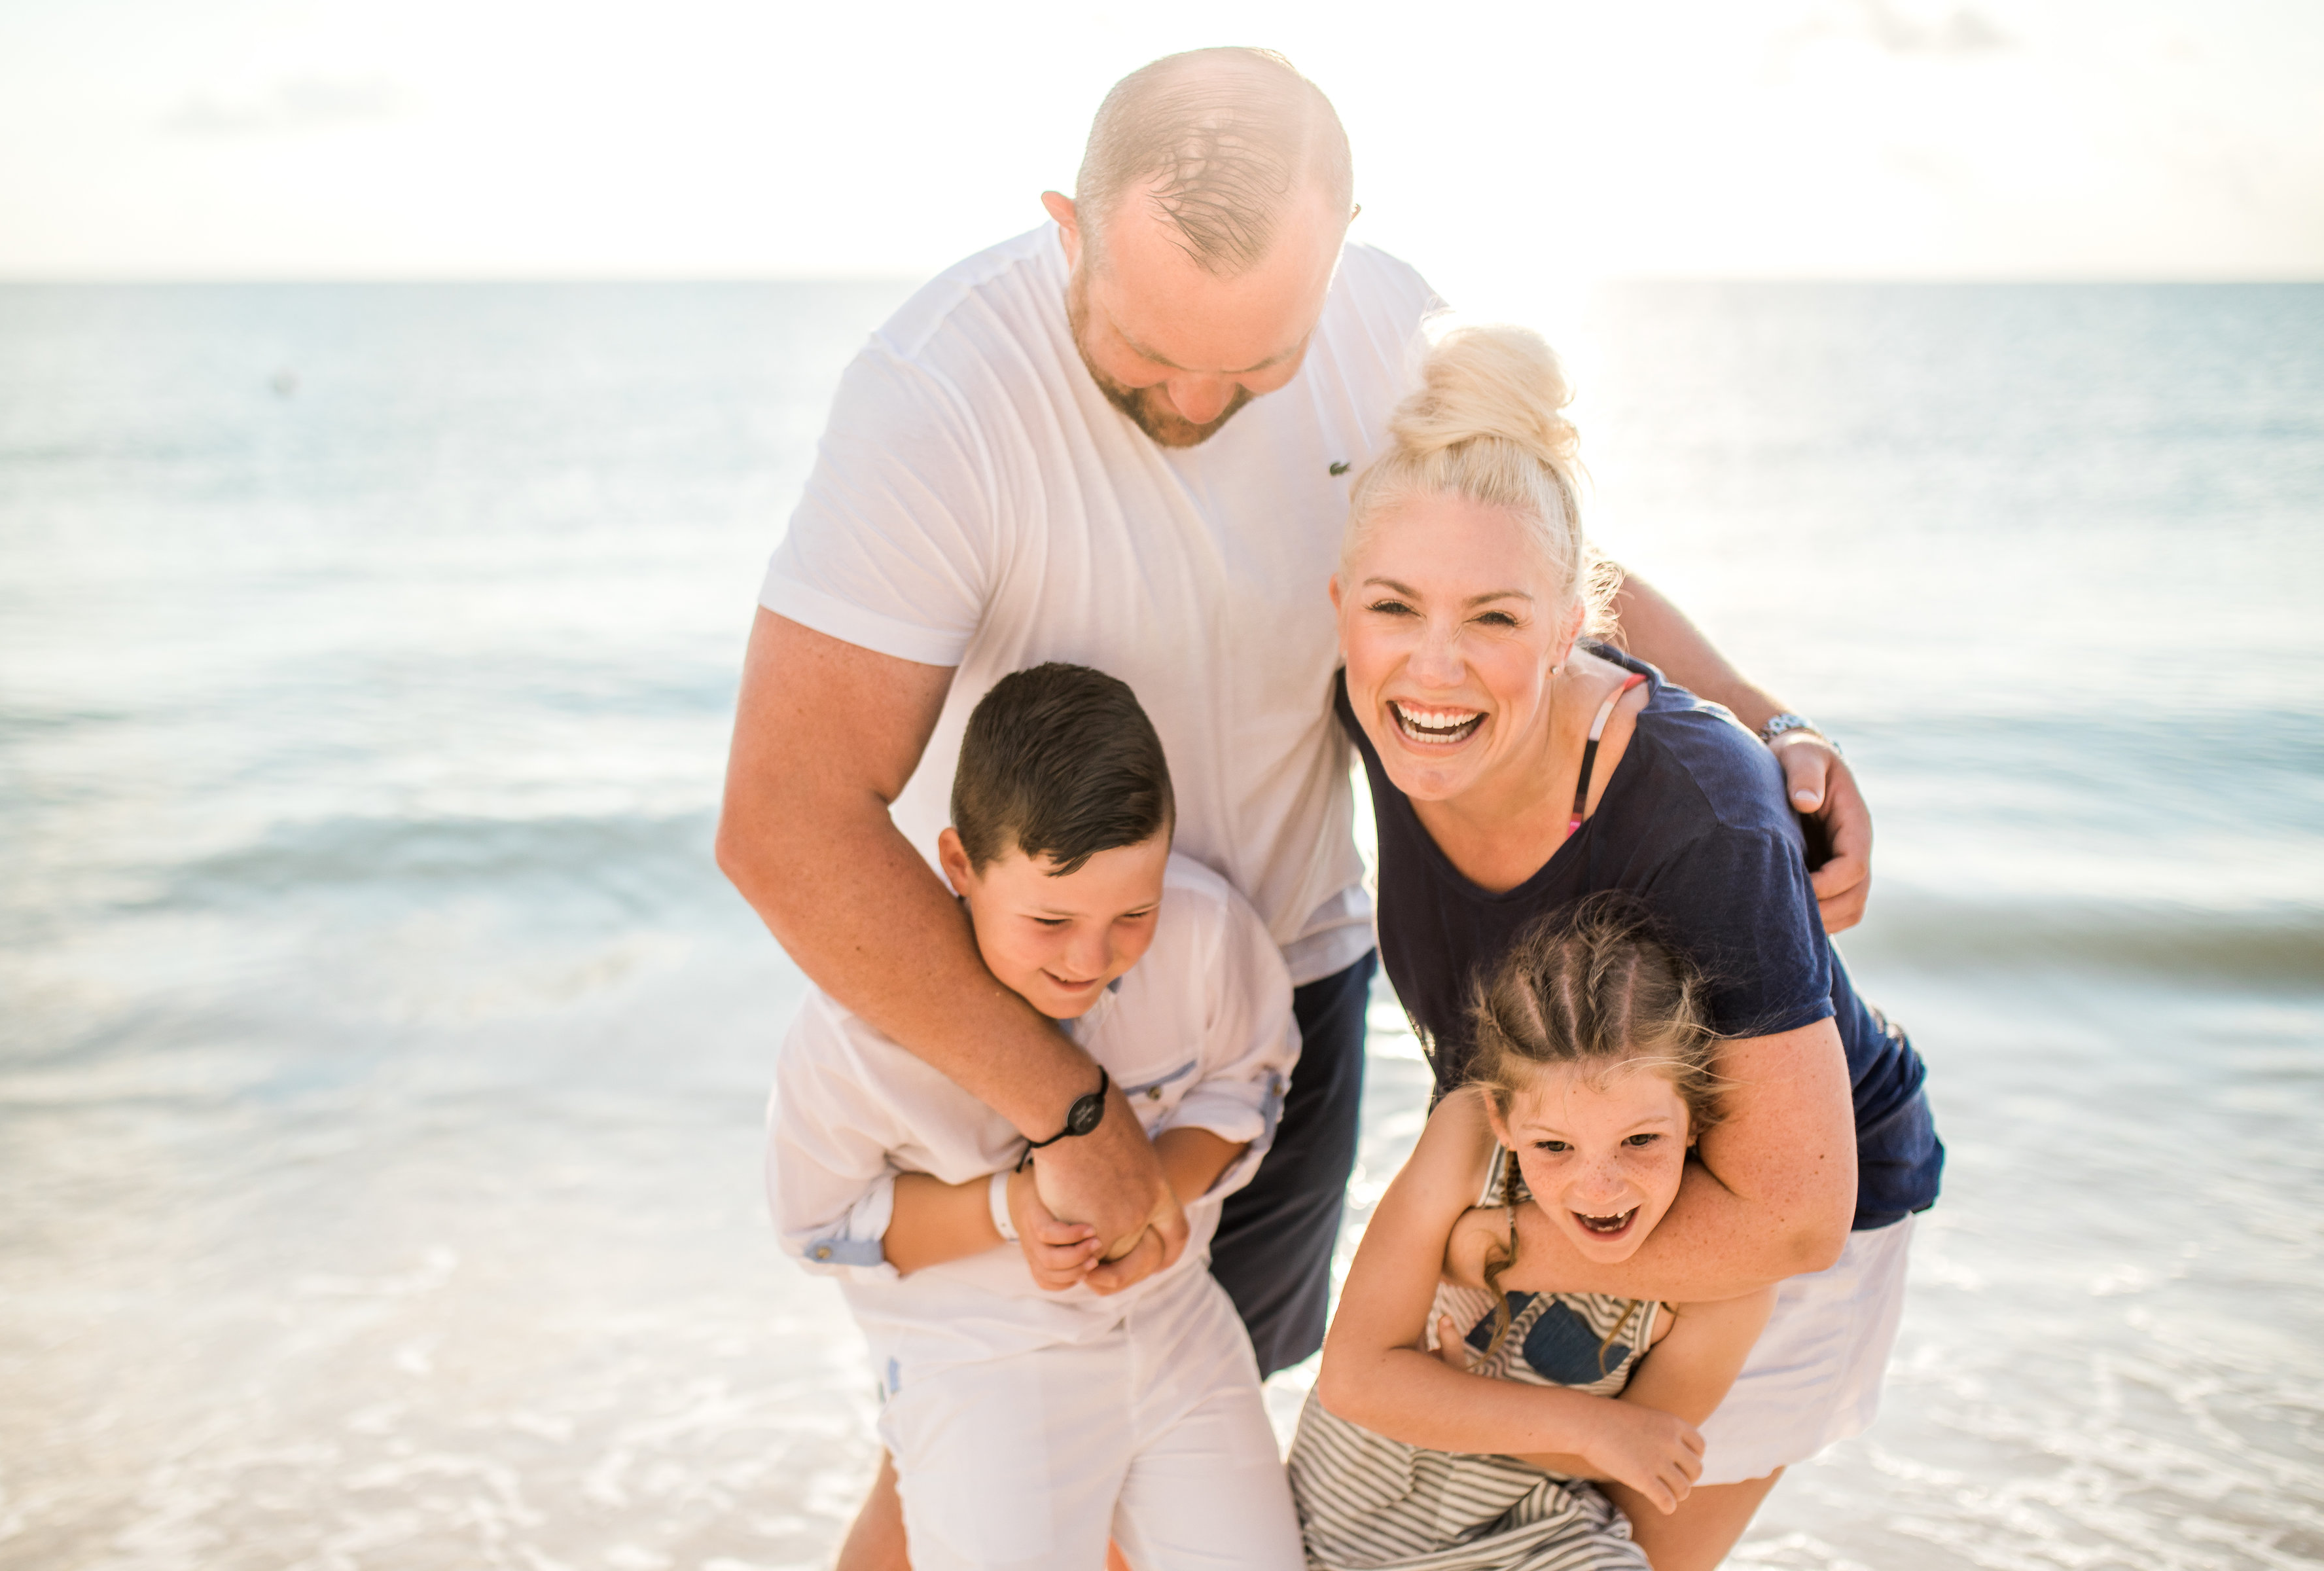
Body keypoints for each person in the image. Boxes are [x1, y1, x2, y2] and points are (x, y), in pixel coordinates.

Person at [717, 46, 1874, 1565]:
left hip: (1279, 1006)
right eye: (1143, 347)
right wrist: (1060, 1105)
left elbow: (1516, 547)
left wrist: (1761, 716)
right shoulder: (939, 395)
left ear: (1336, 254)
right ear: (1067, 227)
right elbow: (784, 820)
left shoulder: (1386, 323)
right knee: (981, 1426)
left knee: (1186, 1423)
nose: (1196, 398)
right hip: (1018, 998)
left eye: (1253, 362)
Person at [1327, 322, 1944, 1570]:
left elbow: (1791, 1223)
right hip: (1578, 1174)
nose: (1433, 663)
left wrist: (1462, 1247)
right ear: (1346, 603)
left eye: (1494, 619)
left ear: (1567, 629)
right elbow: (1513, 562)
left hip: (1770, 1236)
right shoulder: (1392, 693)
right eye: (1394, 607)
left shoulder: (1702, 816)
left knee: (1623, 1553)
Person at [766, 663, 1306, 1571]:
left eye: (1134, 912)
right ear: (958, 868)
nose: (1090, 960)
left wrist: (1150, 1192)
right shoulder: (853, 1038)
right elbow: (817, 1229)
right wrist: (1006, 1210)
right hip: (978, 1359)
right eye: (1050, 920)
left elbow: (1248, 1081)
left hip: (1175, 1323)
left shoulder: (1207, 932)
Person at [1296, 894, 1779, 1571]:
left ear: (1694, 1118)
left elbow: (1640, 1452)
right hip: (1345, 1504)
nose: (1599, 1187)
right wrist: (1586, 1426)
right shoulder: (1468, 1140)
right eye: (1554, 1147)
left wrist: (1452, 1406)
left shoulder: (1727, 1283)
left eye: (1640, 1139)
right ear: (1502, 1118)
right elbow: (1355, 1380)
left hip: (1528, 1534)